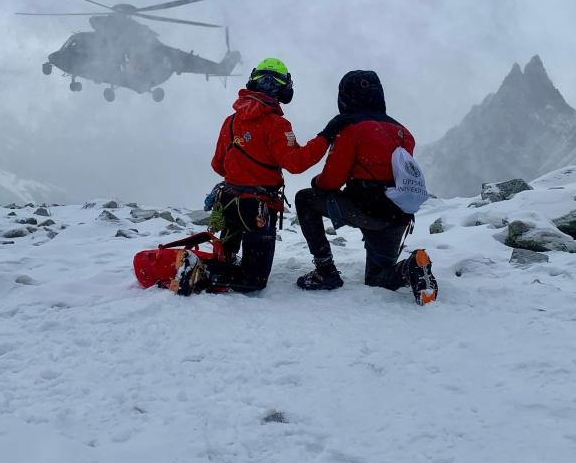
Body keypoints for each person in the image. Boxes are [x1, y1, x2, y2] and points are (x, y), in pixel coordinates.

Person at [177, 57, 332, 295]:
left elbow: (218, 164)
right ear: (285, 89)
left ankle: (206, 266)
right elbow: (295, 163)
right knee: (254, 281)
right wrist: (325, 138)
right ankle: (198, 271)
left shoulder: (230, 121)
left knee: (228, 259)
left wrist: (242, 173)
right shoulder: (278, 124)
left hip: (228, 202)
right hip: (257, 209)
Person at [295, 70, 438, 304]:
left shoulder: (351, 129)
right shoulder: (404, 132)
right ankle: (410, 268)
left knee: (304, 198)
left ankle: (325, 271)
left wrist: (316, 183)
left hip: (365, 209)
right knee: (377, 278)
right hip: (398, 216)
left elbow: (332, 180)